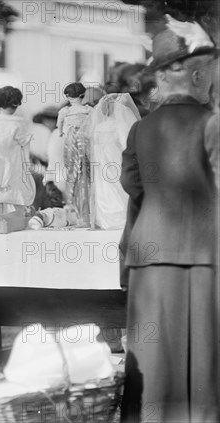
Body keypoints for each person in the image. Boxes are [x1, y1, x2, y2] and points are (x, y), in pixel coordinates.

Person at [119, 17, 219, 422]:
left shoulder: (141, 130)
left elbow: (134, 193)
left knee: (155, 367)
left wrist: (127, 253)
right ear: (197, 74)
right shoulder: (212, 124)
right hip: (206, 255)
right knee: (205, 365)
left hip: (151, 255)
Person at [0, 86, 36, 226]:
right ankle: (15, 223)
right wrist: (27, 164)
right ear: (16, 103)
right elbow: (25, 143)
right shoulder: (18, 123)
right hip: (13, 163)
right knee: (16, 195)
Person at [83, 93, 141, 229]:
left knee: (104, 187)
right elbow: (126, 143)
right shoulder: (118, 124)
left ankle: (105, 218)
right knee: (115, 186)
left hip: (100, 161)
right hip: (114, 158)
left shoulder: (97, 127)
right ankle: (121, 218)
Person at [57, 82, 92, 225]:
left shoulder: (65, 111)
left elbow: (59, 126)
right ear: (82, 95)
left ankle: (76, 210)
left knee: (73, 172)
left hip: (71, 141)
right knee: (86, 173)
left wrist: (61, 133)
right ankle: (86, 211)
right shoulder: (88, 110)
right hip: (84, 141)